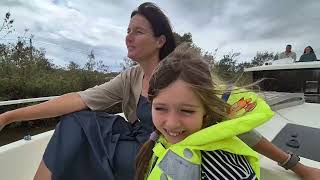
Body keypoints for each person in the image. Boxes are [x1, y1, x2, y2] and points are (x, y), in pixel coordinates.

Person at [0, 2, 319, 180]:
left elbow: (238, 126)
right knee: (73, 121)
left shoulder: (191, 75)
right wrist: (10, 116)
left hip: (164, 155)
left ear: (160, 40)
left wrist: (297, 165)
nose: (128, 37)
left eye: (137, 31)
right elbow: (76, 99)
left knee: (78, 130)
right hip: (135, 144)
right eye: (127, 31)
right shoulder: (130, 77)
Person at [135, 43, 274, 180]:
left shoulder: (223, 169)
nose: (171, 123)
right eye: (160, 108)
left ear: (206, 112)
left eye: (186, 111)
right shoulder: (162, 142)